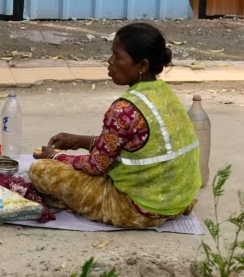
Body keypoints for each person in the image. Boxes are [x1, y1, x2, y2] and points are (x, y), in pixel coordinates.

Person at [29, 22, 200, 229]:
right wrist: (80, 141)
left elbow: (96, 166)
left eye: (118, 57)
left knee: (41, 171)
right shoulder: (165, 95)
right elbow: (134, 144)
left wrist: (54, 156)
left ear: (142, 65)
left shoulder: (123, 109)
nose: (110, 62)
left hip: (138, 209)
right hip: (178, 201)